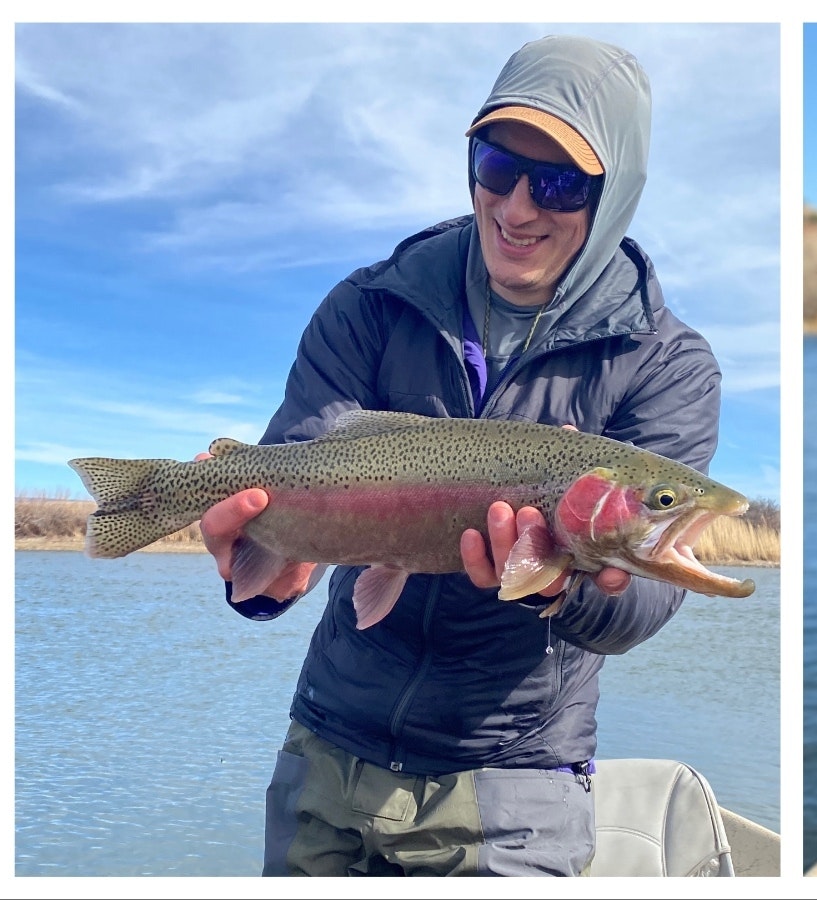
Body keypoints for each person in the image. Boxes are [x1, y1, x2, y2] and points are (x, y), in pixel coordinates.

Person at [197, 34, 726, 876]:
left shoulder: (668, 367)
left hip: (512, 781)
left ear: (614, 190)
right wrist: (263, 578)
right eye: (494, 164)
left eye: (557, 183)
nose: (516, 208)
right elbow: (290, 479)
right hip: (328, 744)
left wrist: (555, 585)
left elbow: (641, 607)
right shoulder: (372, 304)